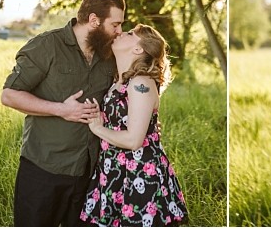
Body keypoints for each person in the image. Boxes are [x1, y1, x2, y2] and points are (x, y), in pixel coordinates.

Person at [1, 0, 125, 226]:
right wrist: (61, 109)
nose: (119, 31)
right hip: (43, 170)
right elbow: (9, 95)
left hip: (89, 172)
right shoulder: (47, 46)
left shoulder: (110, 55)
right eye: (115, 25)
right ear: (94, 20)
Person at [79, 23, 189, 226]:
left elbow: (134, 140)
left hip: (140, 174)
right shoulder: (119, 82)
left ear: (138, 49)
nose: (121, 32)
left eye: (130, 33)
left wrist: (97, 128)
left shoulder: (141, 84)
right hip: (114, 170)